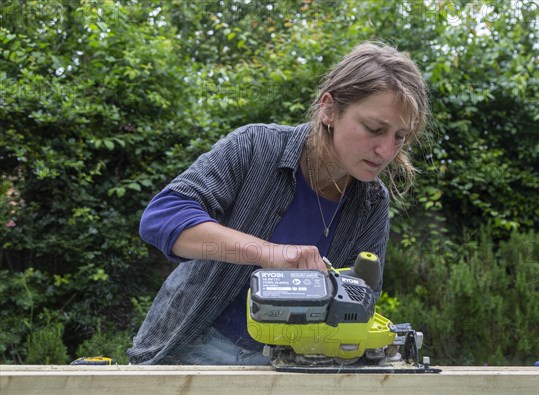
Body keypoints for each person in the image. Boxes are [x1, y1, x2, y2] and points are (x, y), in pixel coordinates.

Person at [127, 41, 429, 365]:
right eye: (374, 129)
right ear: (329, 109)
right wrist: (269, 253)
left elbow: (360, 299)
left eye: (399, 136)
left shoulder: (372, 202)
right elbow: (162, 218)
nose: (387, 151)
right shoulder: (255, 146)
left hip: (287, 366)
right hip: (186, 348)